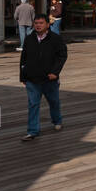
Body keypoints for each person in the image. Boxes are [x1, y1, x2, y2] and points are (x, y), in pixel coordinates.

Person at [20, 13, 68, 141]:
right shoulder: (29, 39)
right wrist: (23, 77)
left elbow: (62, 56)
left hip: (49, 78)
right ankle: (33, 131)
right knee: (33, 104)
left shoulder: (56, 39)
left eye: (41, 23)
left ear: (48, 24)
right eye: (36, 23)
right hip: (32, 79)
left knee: (54, 101)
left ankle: (57, 120)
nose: (38, 25)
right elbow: (23, 58)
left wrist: (55, 72)